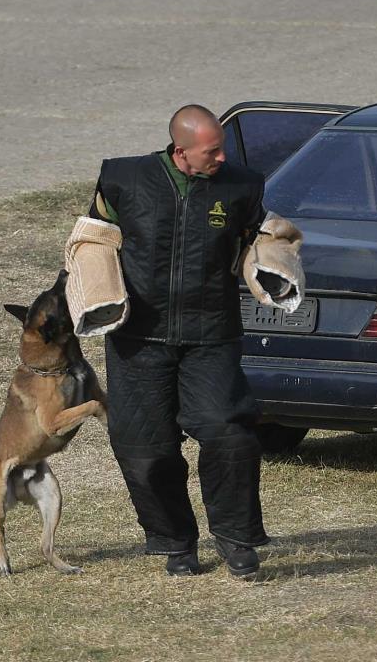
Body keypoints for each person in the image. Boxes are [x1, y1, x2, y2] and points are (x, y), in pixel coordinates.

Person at [89, 104, 269, 577]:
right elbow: (91, 244)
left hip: (211, 335)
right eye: (212, 151)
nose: (222, 158)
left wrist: (276, 263)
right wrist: (73, 308)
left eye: (222, 148)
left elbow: (263, 240)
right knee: (143, 447)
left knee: (229, 432)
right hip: (138, 338)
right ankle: (175, 542)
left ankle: (236, 538)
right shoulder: (124, 180)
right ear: (180, 150)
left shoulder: (243, 186)